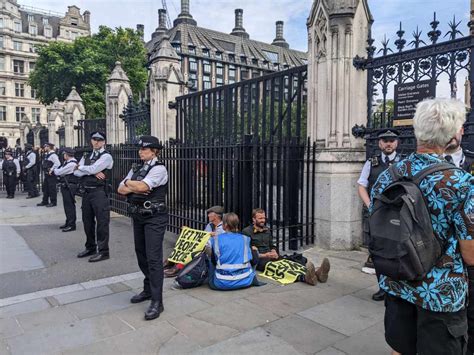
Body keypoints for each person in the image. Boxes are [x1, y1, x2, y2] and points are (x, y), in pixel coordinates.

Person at [371, 98, 473, 355]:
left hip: (397, 279)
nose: (462, 131)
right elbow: (470, 254)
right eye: (460, 126)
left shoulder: (388, 175)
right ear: (450, 135)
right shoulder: (461, 182)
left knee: (400, 348)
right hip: (440, 294)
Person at [118, 135, 168, 320]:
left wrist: (130, 185)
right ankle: (148, 290)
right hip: (138, 215)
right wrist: (132, 185)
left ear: (154, 151)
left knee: (154, 258)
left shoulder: (159, 169)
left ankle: (157, 301)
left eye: (145, 149)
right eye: (140, 149)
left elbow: (143, 186)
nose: (140, 152)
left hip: (154, 217)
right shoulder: (136, 168)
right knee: (141, 255)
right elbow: (120, 189)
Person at [357, 129, 402, 301]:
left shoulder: (404, 162)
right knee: (378, 251)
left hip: (398, 215)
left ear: (396, 143)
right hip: (377, 214)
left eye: (392, 140)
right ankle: (383, 287)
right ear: (379, 143)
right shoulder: (372, 162)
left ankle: (397, 287)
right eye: (385, 140)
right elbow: (362, 185)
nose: (388, 143)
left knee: (399, 251)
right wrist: (370, 206)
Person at [443, 128, 474, 355]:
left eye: (456, 127)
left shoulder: (471, 161)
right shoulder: (423, 166)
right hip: (439, 260)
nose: (451, 133)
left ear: (462, 131)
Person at [242, 208, 330, 286]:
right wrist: (265, 255)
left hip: (272, 256)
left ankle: (318, 273)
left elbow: (272, 245)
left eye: (264, 218)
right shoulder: (246, 232)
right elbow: (247, 253)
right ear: (253, 219)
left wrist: (274, 251)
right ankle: (304, 277)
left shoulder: (267, 230)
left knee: (291, 262)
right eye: (260, 218)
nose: (263, 220)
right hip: (260, 261)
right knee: (280, 268)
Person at [74, 131, 113, 262]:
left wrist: (84, 168)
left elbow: (88, 169)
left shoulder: (106, 156)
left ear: (104, 142)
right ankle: (90, 247)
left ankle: (103, 251)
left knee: (102, 223)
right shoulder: (87, 155)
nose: (96, 142)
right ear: (91, 141)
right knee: (87, 222)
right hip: (87, 192)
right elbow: (76, 173)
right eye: (94, 139)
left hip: (99, 192)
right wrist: (90, 170)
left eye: (99, 140)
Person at [164, 205, 225, 278]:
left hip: (213, 250)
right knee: (186, 245)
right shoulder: (210, 225)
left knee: (194, 250)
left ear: (216, 216)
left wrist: (213, 236)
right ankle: (171, 261)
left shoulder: (222, 228)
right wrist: (188, 230)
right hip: (206, 247)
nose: (208, 215)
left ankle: (178, 267)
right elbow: (202, 236)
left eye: (210, 213)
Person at [208, 212, 260, 290]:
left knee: (209, 258)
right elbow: (254, 261)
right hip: (245, 280)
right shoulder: (245, 238)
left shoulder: (216, 239)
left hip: (221, 282)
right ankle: (252, 277)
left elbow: (213, 261)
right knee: (254, 250)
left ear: (225, 225)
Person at [53, 147, 78, 232]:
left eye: (64, 154)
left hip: (69, 186)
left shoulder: (71, 164)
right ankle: (68, 222)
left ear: (66, 155)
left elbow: (59, 172)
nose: (63, 156)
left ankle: (72, 224)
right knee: (67, 205)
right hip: (66, 186)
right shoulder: (67, 163)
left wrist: (55, 169)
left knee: (69, 206)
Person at [37, 142, 60, 207]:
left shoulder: (53, 155)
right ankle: (45, 201)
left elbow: (58, 163)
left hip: (51, 174)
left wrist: (51, 169)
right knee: (46, 188)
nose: (44, 148)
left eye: (45, 146)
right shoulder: (48, 154)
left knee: (52, 188)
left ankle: (53, 202)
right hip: (47, 174)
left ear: (49, 147)